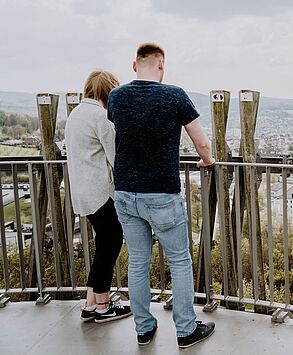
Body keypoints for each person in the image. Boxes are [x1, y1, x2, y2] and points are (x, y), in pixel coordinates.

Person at [108, 42, 216, 348]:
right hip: (162, 193)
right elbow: (203, 145)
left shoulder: (117, 97)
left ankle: (143, 328)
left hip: (126, 192)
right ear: (161, 66)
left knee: (138, 262)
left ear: (134, 65)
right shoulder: (174, 95)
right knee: (180, 261)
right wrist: (207, 162)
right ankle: (185, 330)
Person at [65, 70, 132, 323]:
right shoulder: (101, 117)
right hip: (100, 192)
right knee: (111, 243)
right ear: (109, 92)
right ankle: (104, 306)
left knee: (104, 244)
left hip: (81, 191)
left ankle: (90, 302)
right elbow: (117, 158)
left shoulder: (76, 114)